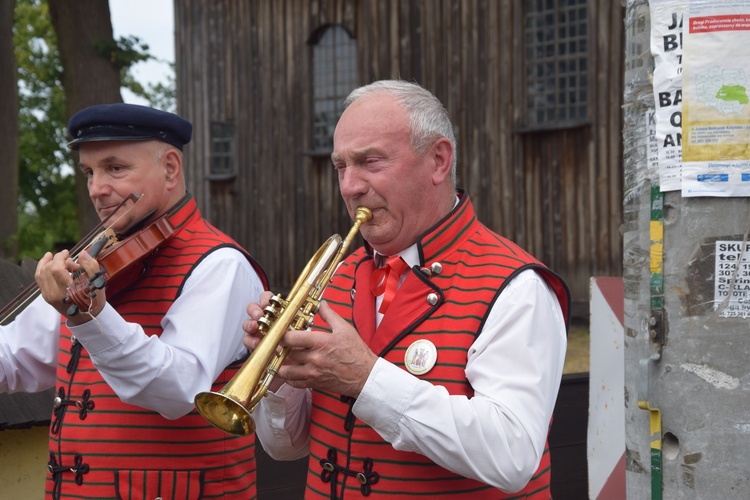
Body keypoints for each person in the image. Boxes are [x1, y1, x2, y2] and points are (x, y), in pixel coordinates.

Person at [243, 80, 570, 499]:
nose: (349, 186)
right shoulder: (338, 278)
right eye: (341, 166)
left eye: (370, 162)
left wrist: (365, 378)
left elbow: (512, 455)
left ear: (438, 161)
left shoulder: (516, 286)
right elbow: (289, 447)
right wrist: (275, 376)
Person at [0, 103, 268, 500]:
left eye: (115, 168)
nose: (97, 188)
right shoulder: (97, 261)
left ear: (171, 168)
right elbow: (14, 358)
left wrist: (93, 318)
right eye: (89, 172)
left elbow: (179, 389)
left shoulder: (219, 265)